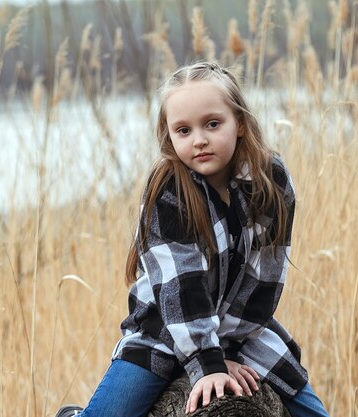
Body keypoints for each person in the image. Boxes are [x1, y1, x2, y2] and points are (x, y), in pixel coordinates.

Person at [55, 62, 329, 417]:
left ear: (240, 123)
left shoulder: (271, 181)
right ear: (169, 137)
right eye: (183, 130)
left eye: (212, 124)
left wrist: (227, 350)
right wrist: (208, 361)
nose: (199, 139)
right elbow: (178, 291)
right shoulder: (169, 192)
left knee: (312, 411)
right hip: (164, 332)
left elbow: (266, 278)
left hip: (242, 331)